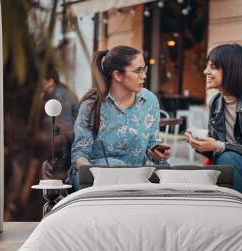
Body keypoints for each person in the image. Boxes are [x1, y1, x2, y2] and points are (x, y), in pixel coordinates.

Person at [70, 45, 170, 190]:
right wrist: (97, 176)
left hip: (138, 181)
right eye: (138, 71)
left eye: (144, 69)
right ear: (117, 75)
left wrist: (157, 151)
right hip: (98, 183)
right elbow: (79, 154)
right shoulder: (91, 106)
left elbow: (151, 142)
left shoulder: (150, 101)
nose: (144, 76)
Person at [186, 44, 242, 194]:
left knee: (227, 160)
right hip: (232, 166)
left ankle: (230, 208)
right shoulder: (216, 102)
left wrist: (220, 146)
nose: (206, 71)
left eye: (213, 67)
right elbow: (217, 150)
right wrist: (200, 145)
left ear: (231, 70)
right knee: (224, 162)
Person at [40, 67, 79, 183]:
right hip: (67, 141)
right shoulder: (59, 93)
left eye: (42, 81)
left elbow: (64, 127)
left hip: (67, 144)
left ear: (50, 81)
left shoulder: (60, 96)